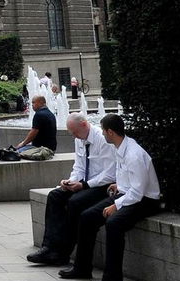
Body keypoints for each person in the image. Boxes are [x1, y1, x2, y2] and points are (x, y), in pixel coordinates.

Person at [59, 113, 161, 281]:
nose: (102, 134)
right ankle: (82, 268)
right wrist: (118, 185)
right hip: (127, 194)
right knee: (87, 216)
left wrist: (116, 205)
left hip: (145, 200)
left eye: (104, 131)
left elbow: (138, 193)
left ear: (111, 132)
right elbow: (129, 181)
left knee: (113, 224)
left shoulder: (134, 154)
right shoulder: (120, 147)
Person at [27, 113, 116, 265]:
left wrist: (84, 185)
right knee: (55, 196)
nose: (74, 136)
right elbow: (80, 167)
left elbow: (109, 173)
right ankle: (49, 247)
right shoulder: (79, 139)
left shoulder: (102, 140)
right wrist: (70, 181)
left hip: (103, 185)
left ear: (84, 125)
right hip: (86, 182)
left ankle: (62, 252)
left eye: (75, 132)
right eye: (72, 133)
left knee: (75, 202)